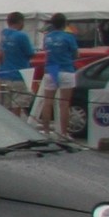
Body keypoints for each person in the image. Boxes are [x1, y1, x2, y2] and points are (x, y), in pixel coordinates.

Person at [34, 13, 79, 141]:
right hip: (66, 69)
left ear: (52, 24)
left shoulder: (47, 37)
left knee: (47, 101)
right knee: (64, 103)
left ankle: (46, 131)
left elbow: (46, 51)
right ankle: (64, 133)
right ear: (65, 24)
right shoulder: (69, 37)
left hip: (51, 69)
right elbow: (76, 54)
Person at [0, 13, 34, 112]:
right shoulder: (22, 36)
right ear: (20, 22)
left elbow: (1, 54)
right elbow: (30, 53)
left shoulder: (4, 34)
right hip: (18, 75)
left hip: (4, 74)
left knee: (5, 107)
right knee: (17, 105)